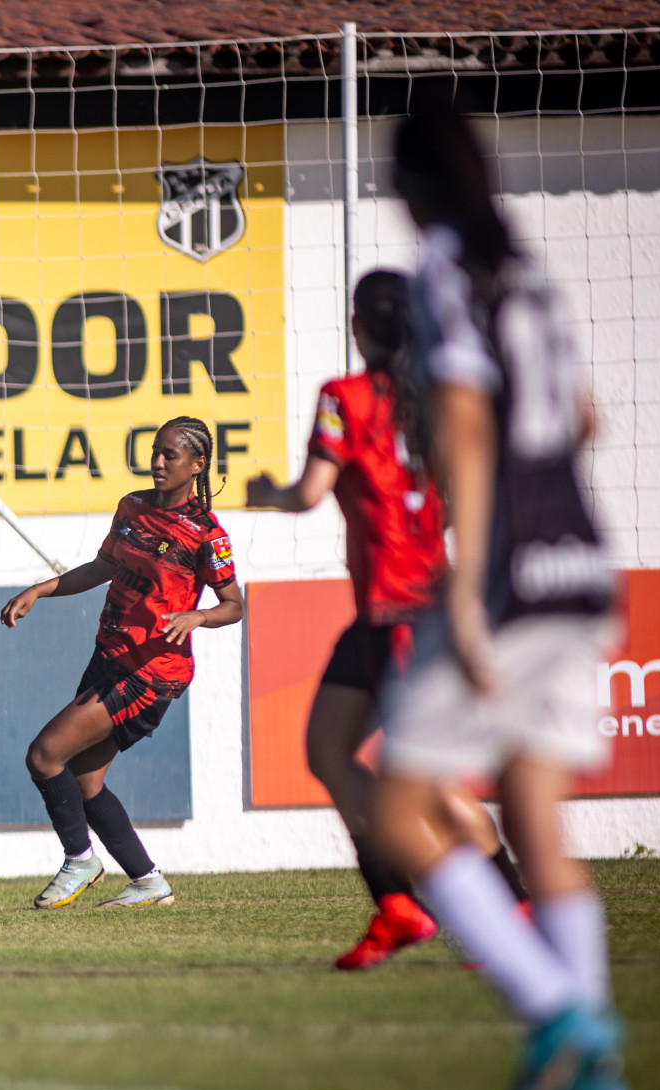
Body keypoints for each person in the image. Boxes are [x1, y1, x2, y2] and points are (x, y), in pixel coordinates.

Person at [371, 105, 636, 1090]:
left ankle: (564, 1011)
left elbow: (472, 420)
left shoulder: (442, 267)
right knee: (536, 812)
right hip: (582, 564)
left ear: (411, 186)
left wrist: (470, 583)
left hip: (512, 575)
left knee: (397, 813)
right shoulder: (525, 271)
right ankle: (594, 1087)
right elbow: (580, 418)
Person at [248, 271, 526, 971]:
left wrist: (266, 494)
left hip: (403, 617)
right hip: (396, 612)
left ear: (358, 329)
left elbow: (310, 493)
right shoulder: (437, 404)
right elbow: (467, 499)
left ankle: (513, 909)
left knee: (427, 785)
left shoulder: (344, 398)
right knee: (325, 750)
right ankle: (397, 906)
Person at [1, 417, 243, 909]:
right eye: (154, 451)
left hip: (151, 672)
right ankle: (149, 882)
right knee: (87, 781)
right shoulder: (131, 507)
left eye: (169, 455)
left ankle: (80, 861)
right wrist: (40, 590)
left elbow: (234, 604)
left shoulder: (205, 533)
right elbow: (101, 568)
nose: (157, 462)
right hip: (109, 656)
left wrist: (198, 615)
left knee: (45, 755)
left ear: (197, 465)